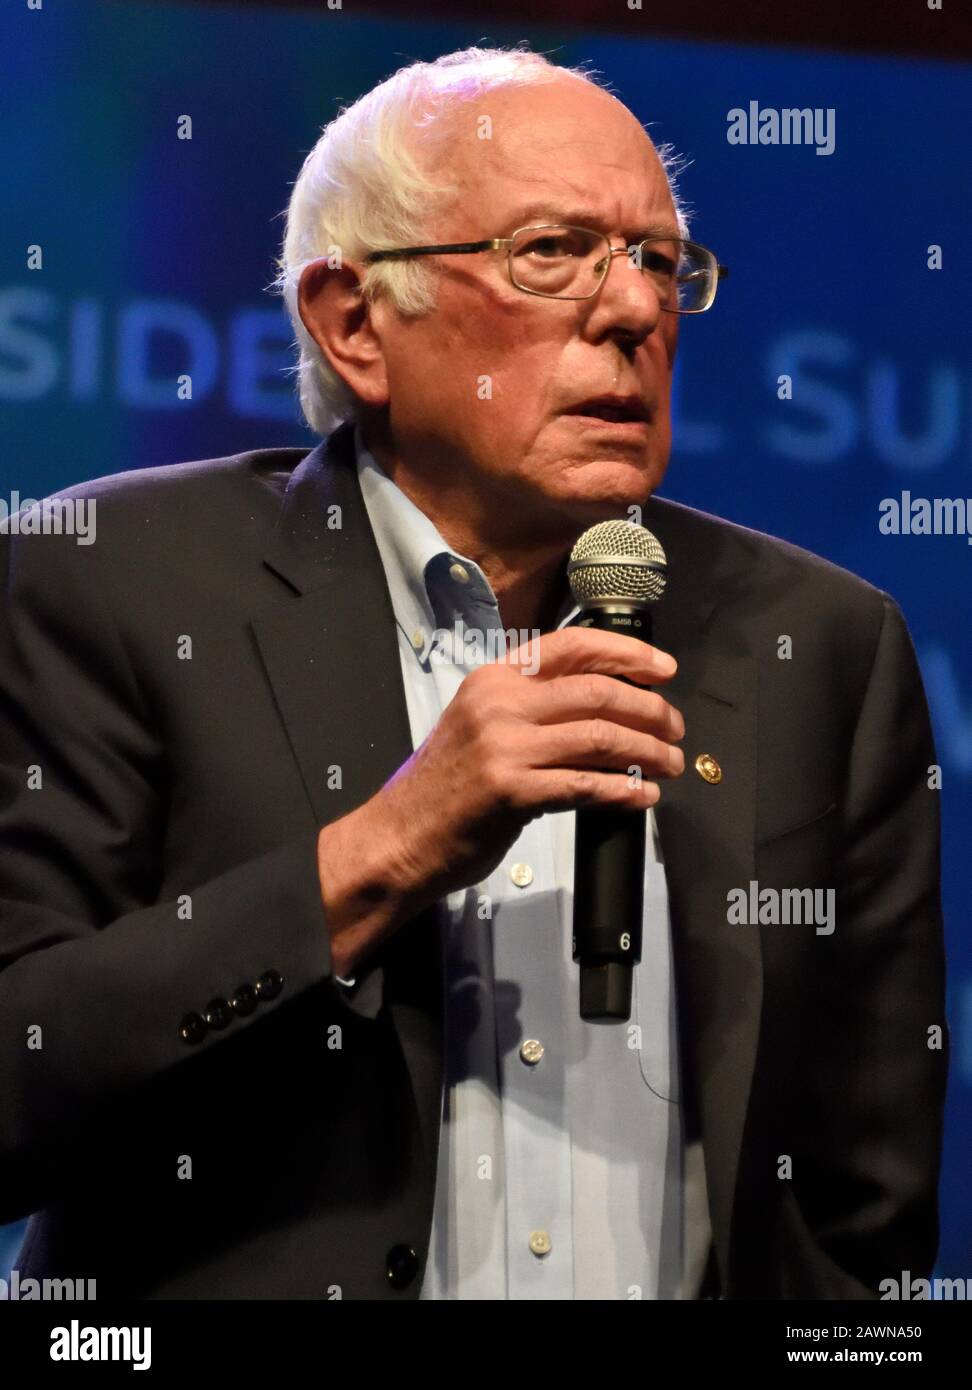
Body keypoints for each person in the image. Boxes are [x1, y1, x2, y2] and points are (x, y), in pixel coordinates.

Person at [0, 46, 947, 1300]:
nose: (633, 311)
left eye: (659, 262)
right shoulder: (106, 581)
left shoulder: (821, 641)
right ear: (354, 324)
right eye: (551, 251)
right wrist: (385, 845)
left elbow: (860, 1215)